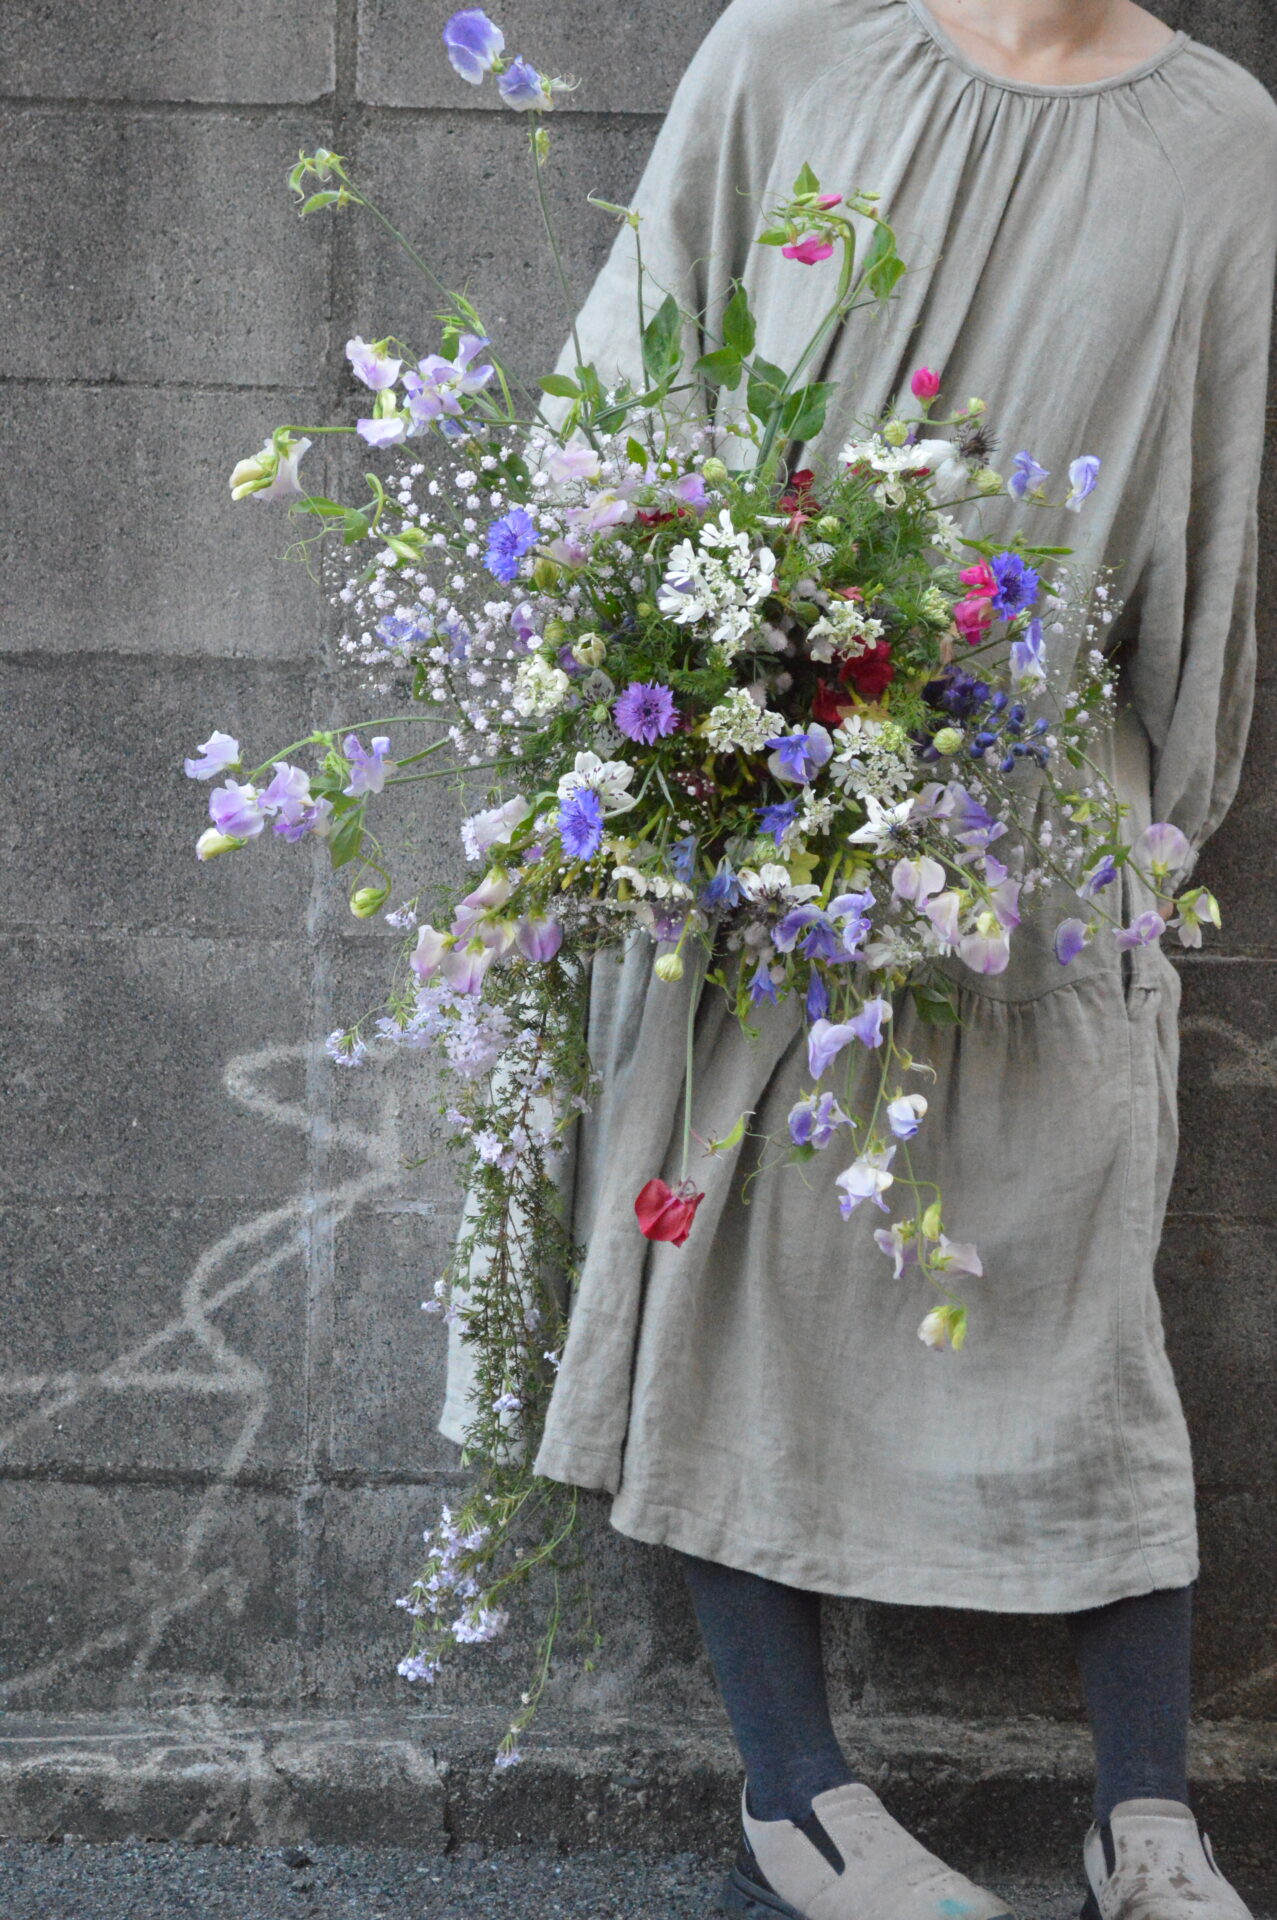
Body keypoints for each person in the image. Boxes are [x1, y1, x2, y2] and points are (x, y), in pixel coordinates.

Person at [439, 2, 1277, 1914]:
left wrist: (1149, 844)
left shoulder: (1228, 148)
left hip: (1038, 810)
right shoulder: (790, 48)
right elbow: (622, 393)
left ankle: (1143, 1818)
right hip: (748, 760)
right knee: (734, 1251)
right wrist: (664, 715)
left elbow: (1212, 532)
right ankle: (794, 1794)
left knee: (1080, 1274)